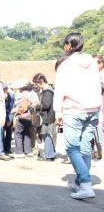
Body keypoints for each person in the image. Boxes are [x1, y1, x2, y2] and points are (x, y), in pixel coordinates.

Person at [54, 32, 102, 199]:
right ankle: (80, 183)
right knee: (85, 148)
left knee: (72, 148)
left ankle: (85, 184)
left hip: (74, 109)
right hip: (93, 109)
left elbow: (60, 89)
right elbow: (98, 86)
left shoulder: (65, 64)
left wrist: (58, 111)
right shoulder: (93, 62)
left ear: (68, 46)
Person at [32, 73, 56, 161]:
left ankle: (49, 155)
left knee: (46, 135)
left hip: (47, 117)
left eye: (36, 83)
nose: (36, 85)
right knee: (47, 135)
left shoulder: (47, 91)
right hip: (48, 116)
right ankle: (51, 154)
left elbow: (46, 105)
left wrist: (37, 105)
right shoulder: (49, 90)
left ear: (41, 81)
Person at [3, 84, 15, 154]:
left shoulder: (11, 96)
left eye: (6, 89)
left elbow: (12, 108)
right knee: (0, 133)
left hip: (8, 115)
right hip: (1, 116)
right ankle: (1, 148)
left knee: (9, 133)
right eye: (4, 89)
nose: (5, 91)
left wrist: (10, 119)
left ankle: (8, 148)